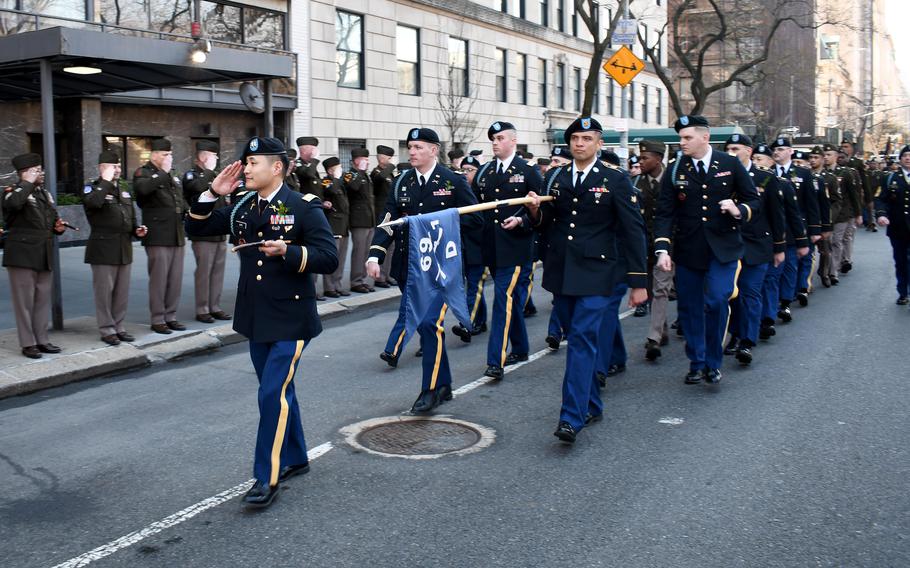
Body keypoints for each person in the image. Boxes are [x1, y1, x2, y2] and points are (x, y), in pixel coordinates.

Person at [185, 136, 338, 509]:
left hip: (291, 317)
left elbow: (327, 257)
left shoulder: (303, 207)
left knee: (271, 394)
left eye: (254, 163)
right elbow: (197, 228)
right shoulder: (241, 206)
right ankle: (298, 456)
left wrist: (290, 251)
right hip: (256, 317)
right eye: (246, 163)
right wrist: (211, 193)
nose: (247, 169)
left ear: (278, 168)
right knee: (280, 392)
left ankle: (266, 476)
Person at [514, 116, 647, 444]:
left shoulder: (614, 179)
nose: (579, 144)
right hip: (563, 271)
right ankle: (592, 403)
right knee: (576, 337)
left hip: (599, 272)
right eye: (575, 138)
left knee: (582, 340)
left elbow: (633, 230)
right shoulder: (556, 175)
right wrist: (533, 211)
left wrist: (639, 281)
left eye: (587, 138)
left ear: (599, 143)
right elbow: (547, 221)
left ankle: (571, 416)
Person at [367, 127, 481, 412]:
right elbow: (389, 220)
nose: (413, 152)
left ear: (434, 150)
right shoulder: (402, 181)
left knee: (431, 323)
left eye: (418, 147)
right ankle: (443, 385)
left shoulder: (452, 180)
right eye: (410, 147)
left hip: (442, 268)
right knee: (428, 328)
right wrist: (374, 255)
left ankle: (430, 390)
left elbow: (475, 220)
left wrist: (445, 222)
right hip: (410, 266)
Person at [653, 116, 760, 385]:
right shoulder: (676, 169)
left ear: (705, 138)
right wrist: (662, 250)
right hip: (689, 249)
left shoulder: (729, 163)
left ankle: (713, 361)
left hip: (723, 248)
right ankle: (696, 361)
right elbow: (665, 213)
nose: (682, 142)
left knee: (716, 300)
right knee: (689, 309)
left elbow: (753, 200)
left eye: (687, 137)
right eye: (680, 138)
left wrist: (739, 210)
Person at [470, 121, 543, 380]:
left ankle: (495, 361)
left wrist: (522, 219)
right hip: (491, 247)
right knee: (509, 299)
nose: (495, 142)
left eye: (500, 138)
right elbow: (477, 205)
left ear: (513, 140)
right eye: (493, 138)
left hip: (516, 248)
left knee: (502, 300)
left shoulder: (527, 170)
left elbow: (540, 207)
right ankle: (521, 348)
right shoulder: (486, 172)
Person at [723, 135, 786, 365]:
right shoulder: (722, 177)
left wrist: (779, 247)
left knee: (750, 292)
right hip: (729, 246)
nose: (731, 152)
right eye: (728, 148)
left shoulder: (765, 178)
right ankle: (736, 332)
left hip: (757, 245)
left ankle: (747, 341)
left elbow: (777, 216)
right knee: (731, 295)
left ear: (748, 151)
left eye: (736, 148)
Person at [2, 153, 67, 359]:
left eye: (40, 169)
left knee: (41, 300)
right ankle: (27, 343)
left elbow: (52, 218)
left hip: (43, 253)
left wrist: (58, 227)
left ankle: (42, 339)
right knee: (24, 302)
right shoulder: (12, 191)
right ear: (26, 172)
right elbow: (13, 206)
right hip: (22, 254)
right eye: (37, 170)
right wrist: (26, 183)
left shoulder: (44, 194)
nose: (42, 173)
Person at [83, 150, 147, 345]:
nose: (118, 169)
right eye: (114, 166)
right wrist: (106, 181)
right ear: (102, 168)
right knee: (104, 293)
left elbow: (130, 215)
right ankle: (106, 329)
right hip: (103, 248)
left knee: (121, 292)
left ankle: (119, 326)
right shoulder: (92, 188)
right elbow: (94, 203)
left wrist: (137, 229)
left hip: (123, 247)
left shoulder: (123, 188)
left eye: (119, 166)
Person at [753, 144, 808, 340]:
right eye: (754, 159)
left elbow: (792, 215)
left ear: (770, 162)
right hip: (754, 242)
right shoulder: (745, 182)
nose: (756, 163)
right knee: (755, 284)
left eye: (760, 159)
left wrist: (802, 241)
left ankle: (769, 316)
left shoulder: (782, 183)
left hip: (779, 239)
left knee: (772, 278)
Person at [133, 138, 187, 334]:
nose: (168, 158)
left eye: (170, 154)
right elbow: (143, 190)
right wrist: (163, 172)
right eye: (165, 154)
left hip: (176, 234)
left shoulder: (172, 176)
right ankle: (157, 319)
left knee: (175, 279)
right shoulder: (143, 173)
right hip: (157, 235)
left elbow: (179, 201)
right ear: (154, 154)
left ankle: (170, 316)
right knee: (159, 279)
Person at [770, 137, 819, 323]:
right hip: (774, 230)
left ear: (790, 151)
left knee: (790, 267)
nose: (777, 152)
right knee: (775, 269)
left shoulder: (803, 174)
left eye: (781, 149)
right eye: (775, 150)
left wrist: (814, 230)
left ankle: (785, 303)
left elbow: (811, 204)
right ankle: (773, 304)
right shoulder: (767, 173)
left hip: (794, 228)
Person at [183, 140, 232, 324]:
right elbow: (195, 189)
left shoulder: (215, 175)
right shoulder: (192, 175)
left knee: (217, 272)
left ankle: (215, 306)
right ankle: (202, 309)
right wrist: (210, 172)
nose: (217, 158)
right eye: (213, 155)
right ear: (204, 157)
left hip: (218, 232)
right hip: (202, 232)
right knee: (204, 272)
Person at [635, 140, 672, 359]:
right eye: (639, 157)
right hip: (643, 246)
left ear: (658, 159)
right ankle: (663, 328)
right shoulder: (635, 182)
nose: (640, 162)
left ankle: (654, 337)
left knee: (661, 289)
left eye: (644, 158)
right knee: (651, 290)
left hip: (668, 245)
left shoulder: (673, 180)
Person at [452, 155, 488, 341]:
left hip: (480, 246)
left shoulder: (482, 191)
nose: (466, 173)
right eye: (463, 169)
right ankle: (480, 320)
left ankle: (467, 324)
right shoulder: (459, 189)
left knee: (474, 286)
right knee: (473, 286)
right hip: (464, 247)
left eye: (470, 170)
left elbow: (478, 219)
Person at [875, 145, 910, 305]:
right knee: (901, 261)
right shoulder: (891, 178)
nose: (908, 158)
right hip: (898, 228)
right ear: (900, 159)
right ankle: (903, 292)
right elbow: (881, 199)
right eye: (905, 156)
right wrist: (881, 214)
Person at [344, 148, 376, 293]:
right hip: (358, 220)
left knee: (365, 252)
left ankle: (362, 280)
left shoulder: (365, 175)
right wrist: (361, 171)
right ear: (356, 160)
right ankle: (355, 281)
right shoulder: (350, 174)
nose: (367, 162)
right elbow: (353, 188)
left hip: (369, 219)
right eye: (364, 159)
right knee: (359, 252)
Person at [320, 157, 351, 298]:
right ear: (330, 170)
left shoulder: (341, 181)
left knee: (341, 258)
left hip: (344, 225)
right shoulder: (326, 181)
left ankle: (337, 285)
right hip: (334, 224)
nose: (341, 170)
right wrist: (337, 178)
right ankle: (329, 287)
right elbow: (331, 191)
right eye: (338, 168)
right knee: (332, 257)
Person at [370, 145, 397, 288]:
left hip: (390, 214)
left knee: (391, 246)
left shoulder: (389, 173)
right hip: (381, 214)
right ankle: (379, 278)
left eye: (387, 157)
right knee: (381, 245)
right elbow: (379, 179)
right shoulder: (377, 172)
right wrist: (391, 166)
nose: (382, 159)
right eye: (381, 156)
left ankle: (387, 275)